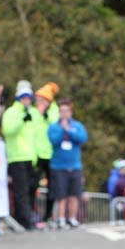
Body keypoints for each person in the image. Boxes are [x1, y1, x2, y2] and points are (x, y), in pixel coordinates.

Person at [1, 80, 40, 230]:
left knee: (31, 190)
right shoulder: (12, 112)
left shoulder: (32, 113)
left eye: (29, 98)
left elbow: (36, 136)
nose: (27, 101)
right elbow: (8, 130)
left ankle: (28, 217)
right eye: (24, 98)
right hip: (17, 157)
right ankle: (24, 220)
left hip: (31, 157)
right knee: (20, 191)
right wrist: (21, 120)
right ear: (19, 99)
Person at [47, 98, 88, 228]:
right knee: (61, 196)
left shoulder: (77, 126)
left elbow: (82, 138)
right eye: (61, 111)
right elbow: (54, 141)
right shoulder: (53, 127)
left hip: (75, 166)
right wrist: (62, 130)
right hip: (58, 167)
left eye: (66, 111)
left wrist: (69, 130)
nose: (64, 113)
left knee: (74, 195)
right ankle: (60, 219)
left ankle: (72, 218)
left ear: (70, 112)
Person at [34, 82, 60, 227]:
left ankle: (48, 216)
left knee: (52, 187)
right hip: (37, 154)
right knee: (33, 186)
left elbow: (54, 124)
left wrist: (45, 113)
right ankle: (34, 215)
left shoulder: (54, 111)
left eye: (41, 99)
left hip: (51, 155)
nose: (38, 102)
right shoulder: (34, 111)